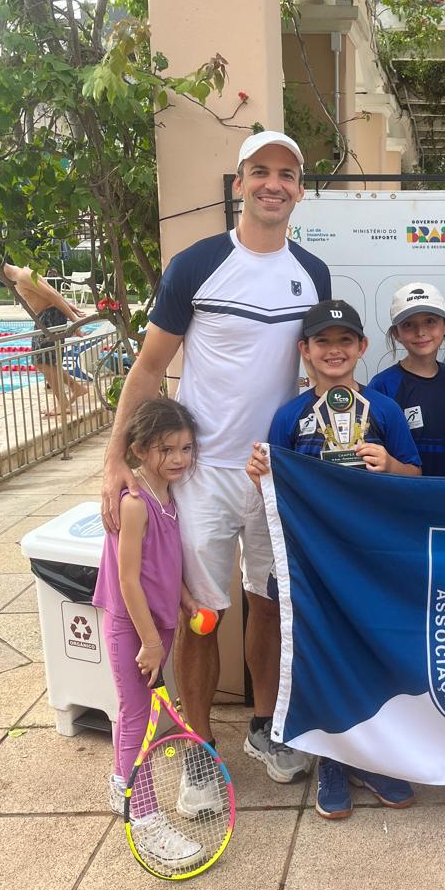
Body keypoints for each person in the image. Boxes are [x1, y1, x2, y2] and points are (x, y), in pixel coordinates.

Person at [100, 131, 331, 808]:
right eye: (260, 172)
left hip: (273, 471)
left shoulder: (312, 272)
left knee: (270, 604)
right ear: (239, 184)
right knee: (200, 614)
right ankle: (198, 749)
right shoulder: (197, 264)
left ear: (299, 190)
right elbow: (149, 367)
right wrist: (115, 459)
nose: (273, 184)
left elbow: (321, 367)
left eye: (286, 174)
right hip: (199, 473)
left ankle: (264, 728)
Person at [246, 299, 421, 820]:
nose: (334, 350)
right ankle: (332, 761)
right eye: (323, 341)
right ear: (305, 350)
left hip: (369, 558)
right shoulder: (289, 416)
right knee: (318, 655)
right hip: (312, 561)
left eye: (345, 340)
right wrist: (261, 475)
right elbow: (272, 493)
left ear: (362, 347)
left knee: (367, 652)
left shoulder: (384, 410)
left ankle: (369, 758)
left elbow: (416, 477)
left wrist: (390, 464)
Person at [93, 397, 204, 870]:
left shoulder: (168, 496)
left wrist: (184, 597)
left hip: (159, 622)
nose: (179, 458)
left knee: (135, 713)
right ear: (139, 450)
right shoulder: (135, 503)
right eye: (166, 449)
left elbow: (164, 561)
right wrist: (151, 643)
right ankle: (144, 817)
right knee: (139, 719)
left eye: (186, 448)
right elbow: (128, 580)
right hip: (133, 627)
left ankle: (122, 784)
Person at [367, 281, 445, 477]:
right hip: (408, 492)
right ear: (396, 333)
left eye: (430, 321)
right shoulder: (382, 386)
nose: (420, 332)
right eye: (408, 324)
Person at [0, 259, 88, 416]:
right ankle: (75, 388)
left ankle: (64, 404)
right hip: (45, 317)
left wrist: (74, 322)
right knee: (43, 362)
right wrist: (70, 307)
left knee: (44, 362)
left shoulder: (21, 276)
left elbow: (51, 295)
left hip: (50, 316)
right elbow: (51, 290)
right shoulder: (19, 273)